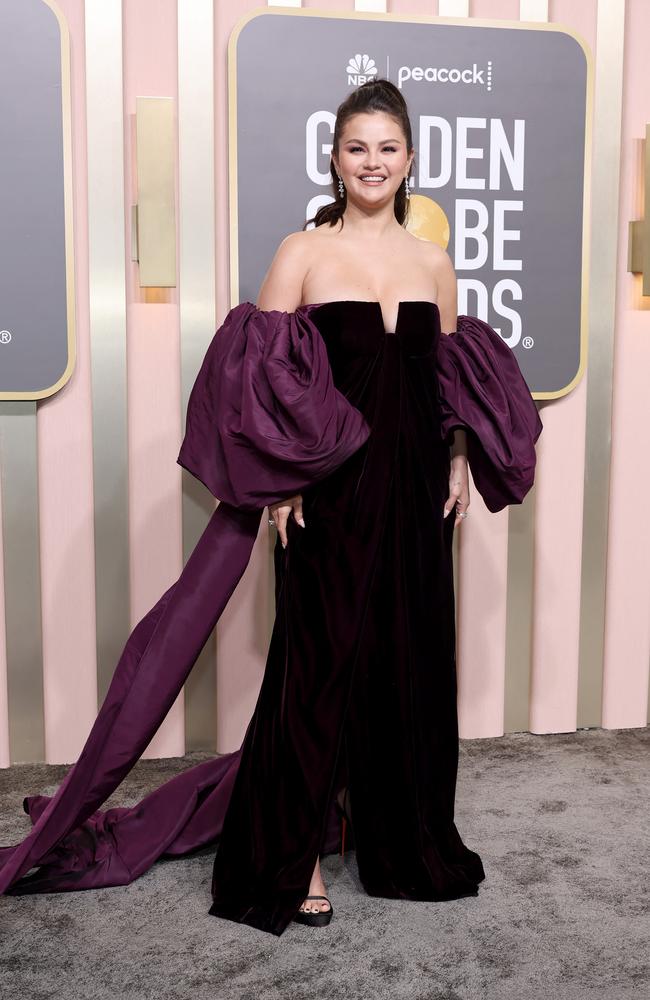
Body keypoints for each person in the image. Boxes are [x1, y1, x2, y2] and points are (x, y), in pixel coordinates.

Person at [0, 79, 542, 937]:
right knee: (314, 669)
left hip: (412, 494)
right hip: (328, 495)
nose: (373, 162)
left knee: (407, 662)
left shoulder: (434, 262)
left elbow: (444, 380)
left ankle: (403, 842)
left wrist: (462, 459)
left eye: (388, 148)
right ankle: (286, 859)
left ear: (409, 160)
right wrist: (286, 483)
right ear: (334, 158)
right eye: (357, 147)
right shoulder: (303, 252)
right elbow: (261, 384)